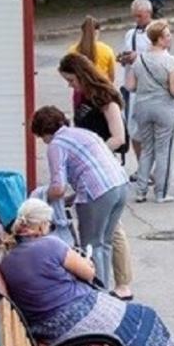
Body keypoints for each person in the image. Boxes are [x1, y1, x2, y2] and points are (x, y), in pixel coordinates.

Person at [0, 198, 174, 346]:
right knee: (141, 318)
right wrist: (87, 261)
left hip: (46, 323)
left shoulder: (8, 259)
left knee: (130, 320)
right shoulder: (49, 244)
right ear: (39, 226)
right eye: (48, 223)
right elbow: (88, 273)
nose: (49, 227)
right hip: (75, 313)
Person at [57, 54, 134, 301]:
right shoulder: (82, 97)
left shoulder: (106, 98)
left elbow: (119, 137)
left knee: (111, 233)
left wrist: (92, 153)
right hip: (93, 171)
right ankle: (110, 283)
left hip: (104, 168)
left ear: (82, 75)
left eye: (71, 80)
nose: (70, 86)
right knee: (106, 234)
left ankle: (122, 283)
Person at [30, 106, 128, 289]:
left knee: (92, 245)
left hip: (97, 191)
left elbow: (58, 188)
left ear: (44, 131)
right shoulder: (83, 133)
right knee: (105, 242)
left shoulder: (56, 145)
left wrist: (40, 198)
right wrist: (71, 199)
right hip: (121, 185)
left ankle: (97, 291)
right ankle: (105, 288)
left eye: (41, 137)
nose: (43, 141)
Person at [125, 20, 174, 203]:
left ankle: (141, 190)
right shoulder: (170, 61)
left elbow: (130, 86)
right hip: (164, 108)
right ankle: (161, 192)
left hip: (142, 107)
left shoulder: (139, 59)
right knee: (164, 150)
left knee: (147, 149)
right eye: (167, 35)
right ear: (159, 39)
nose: (170, 38)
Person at [117, 0, 153, 174]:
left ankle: (152, 169)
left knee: (150, 132)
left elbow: (161, 58)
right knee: (133, 130)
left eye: (140, 16)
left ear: (149, 13)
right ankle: (142, 168)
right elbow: (127, 57)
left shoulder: (157, 32)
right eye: (134, 16)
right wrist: (123, 58)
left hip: (150, 88)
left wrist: (137, 57)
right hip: (132, 88)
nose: (137, 20)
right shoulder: (130, 34)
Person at [68, 15, 116, 82]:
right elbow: (111, 77)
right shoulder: (107, 50)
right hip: (101, 86)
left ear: (82, 31)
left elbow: (70, 74)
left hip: (81, 87)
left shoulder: (72, 51)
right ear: (97, 32)